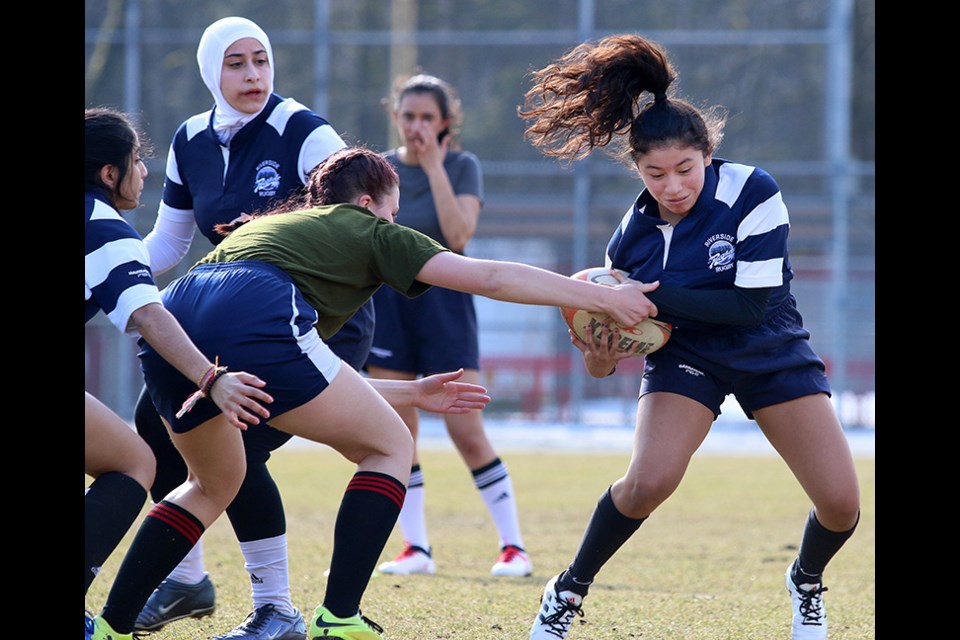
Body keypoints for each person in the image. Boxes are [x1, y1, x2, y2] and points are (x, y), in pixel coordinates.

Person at [83, 145, 659, 640]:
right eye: (393, 209)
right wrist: (601, 298)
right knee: (389, 447)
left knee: (211, 484)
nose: (395, 220)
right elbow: (488, 276)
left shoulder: (271, 230)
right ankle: (339, 615)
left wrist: (410, 394)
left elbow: (300, 373)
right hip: (255, 311)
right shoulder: (365, 228)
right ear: (367, 205)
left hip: (176, 320)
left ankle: (111, 624)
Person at [517, 34, 860, 640]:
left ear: (708, 153)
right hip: (687, 357)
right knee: (647, 483)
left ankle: (805, 582)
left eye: (685, 169)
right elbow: (609, 361)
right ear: (638, 170)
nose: (673, 186)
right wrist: (600, 350)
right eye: (655, 174)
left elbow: (750, 307)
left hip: (768, 347)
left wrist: (641, 296)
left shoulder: (753, 191)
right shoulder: (628, 240)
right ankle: (566, 590)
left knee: (841, 505)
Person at [128, 17, 378, 640]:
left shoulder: (302, 130)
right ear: (212, 71)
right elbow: (167, 243)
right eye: (236, 63)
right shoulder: (190, 138)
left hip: (312, 321)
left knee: (232, 449)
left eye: (261, 60)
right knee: (155, 429)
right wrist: (105, 268)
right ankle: (187, 581)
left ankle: (276, 609)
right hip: (233, 325)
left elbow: (353, 220)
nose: (252, 75)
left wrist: (278, 224)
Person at [84, 108, 272, 616]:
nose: (144, 170)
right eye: (137, 160)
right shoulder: (104, 228)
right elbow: (150, 316)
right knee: (134, 463)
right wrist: (211, 377)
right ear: (109, 174)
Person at [365, 73, 531, 578]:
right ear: (395, 117)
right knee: (399, 428)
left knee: (466, 428)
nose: (416, 126)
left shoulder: (461, 166)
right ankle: (416, 548)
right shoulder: (379, 170)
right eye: (408, 116)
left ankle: (514, 548)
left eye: (427, 118)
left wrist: (434, 165)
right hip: (389, 307)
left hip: (446, 305)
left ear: (445, 124)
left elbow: (459, 234)